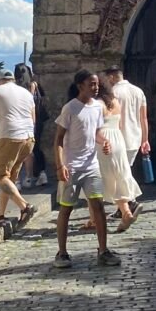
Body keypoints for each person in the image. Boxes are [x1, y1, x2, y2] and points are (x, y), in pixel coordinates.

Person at [53, 70, 121, 269]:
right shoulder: (70, 108)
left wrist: (104, 141)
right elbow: (58, 140)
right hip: (72, 167)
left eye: (97, 84)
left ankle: (103, 250)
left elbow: (95, 132)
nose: (96, 87)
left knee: (98, 206)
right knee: (66, 209)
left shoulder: (98, 107)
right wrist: (60, 165)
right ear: (80, 86)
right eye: (91, 84)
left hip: (91, 166)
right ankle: (62, 252)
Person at [0, 63, 38, 230]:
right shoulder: (26, 93)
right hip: (28, 138)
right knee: (9, 177)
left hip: (10, 136)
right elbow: (33, 118)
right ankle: (0, 214)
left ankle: (24, 206)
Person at [96, 79, 140, 230]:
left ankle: (94, 218)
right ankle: (126, 211)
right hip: (117, 138)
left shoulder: (97, 105)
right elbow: (120, 124)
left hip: (103, 139)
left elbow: (94, 128)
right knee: (119, 174)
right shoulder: (115, 102)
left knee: (100, 177)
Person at [101, 64, 150, 181]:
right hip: (135, 136)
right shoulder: (139, 91)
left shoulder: (113, 93)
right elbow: (144, 118)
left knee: (117, 171)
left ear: (111, 77)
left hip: (118, 136)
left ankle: (125, 191)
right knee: (127, 169)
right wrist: (145, 139)